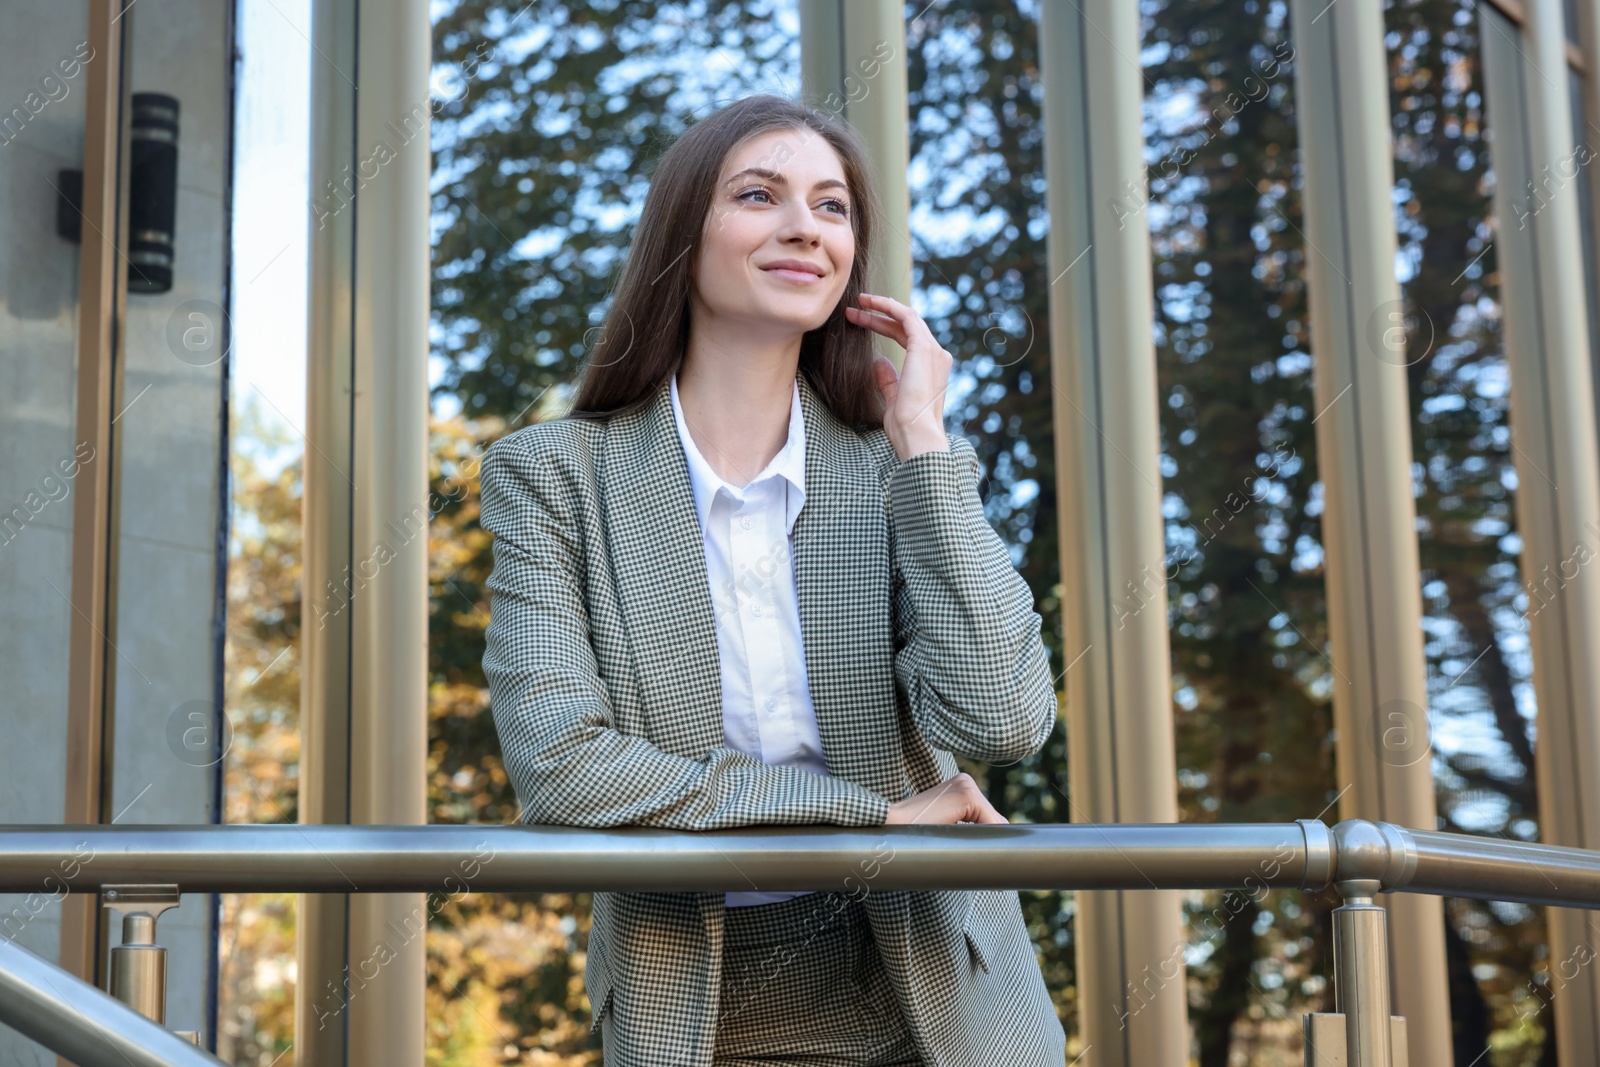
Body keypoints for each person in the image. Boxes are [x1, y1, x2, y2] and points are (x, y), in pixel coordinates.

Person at [478, 92, 1064, 1067]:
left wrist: (923, 439)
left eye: (832, 207)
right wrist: (868, 818)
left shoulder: (890, 474)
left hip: (939, 993)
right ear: (683, 234)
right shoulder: (553, 476)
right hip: (695, 1001)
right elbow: (562, 769)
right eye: (760, 194)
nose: (805, 226)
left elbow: (999, 718)